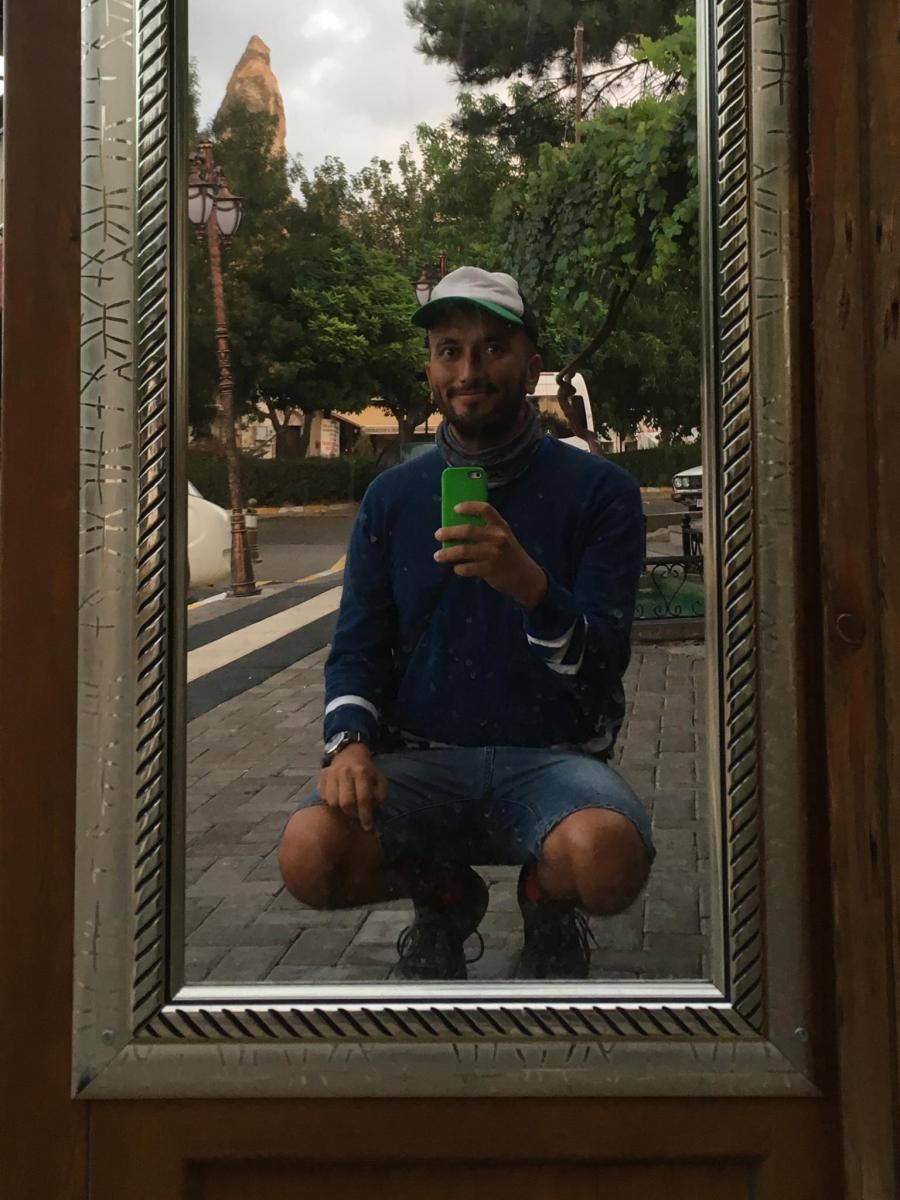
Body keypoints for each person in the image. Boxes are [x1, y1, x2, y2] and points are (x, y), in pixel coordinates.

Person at [278, 267, 654, 980]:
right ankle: (446, 894)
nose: (469, 371)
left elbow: (604, 662)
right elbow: (358, 644)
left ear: (531, 368)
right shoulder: (392, 497)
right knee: (307, 854)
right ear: (429, 370)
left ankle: (546, 898)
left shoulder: (601, 492)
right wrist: (349, 745)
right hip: (419, 760)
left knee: (607, 861)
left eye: (493, 349)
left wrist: (532, 588)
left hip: (554, 760)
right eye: (449, 351)